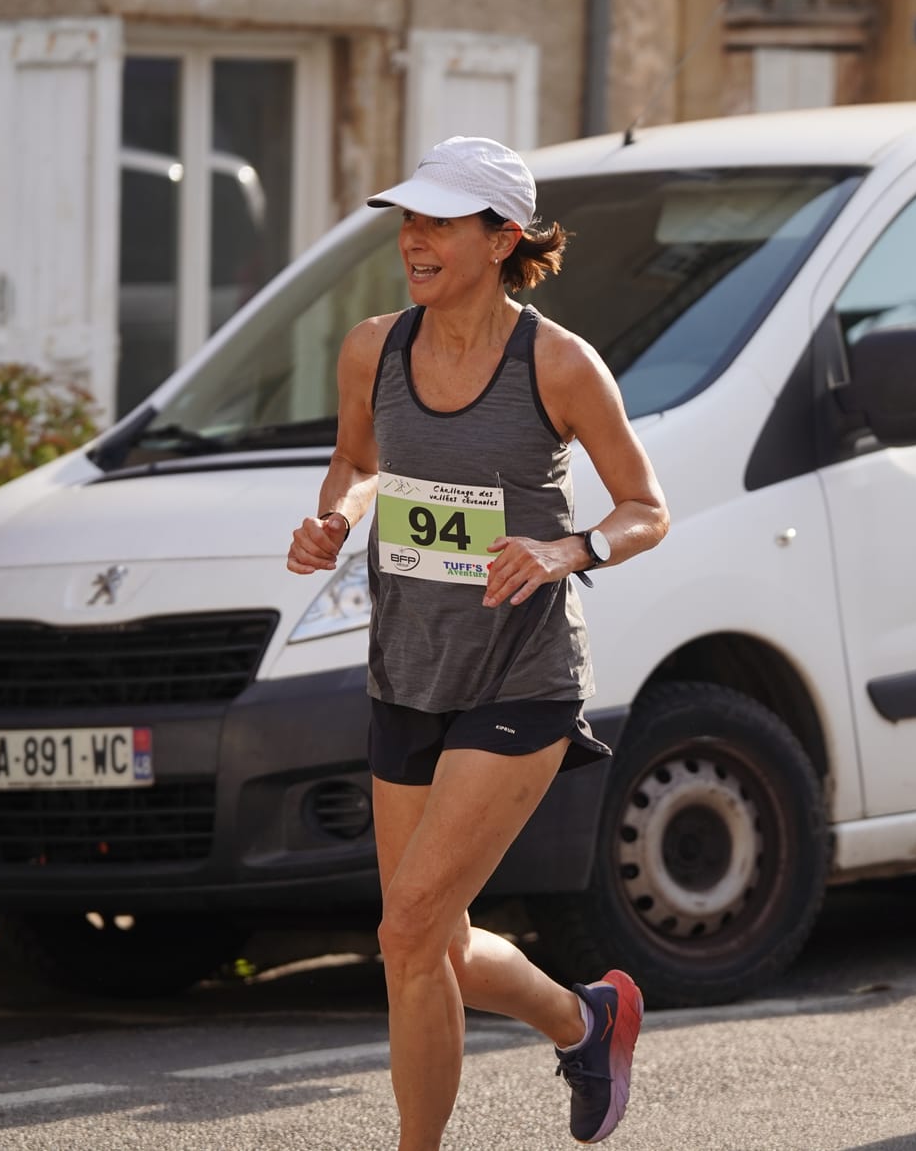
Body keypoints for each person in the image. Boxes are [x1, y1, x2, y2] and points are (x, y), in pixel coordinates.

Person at [286, 135, 670, 1147]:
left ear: (502, 238)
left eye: (438, 224)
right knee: (431, 941)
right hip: (407, 670)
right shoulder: (374, 346)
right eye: (408, 221)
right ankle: (583, 1019)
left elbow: (645, 509)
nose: (412, 241)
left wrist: (566, 550)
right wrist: (334, 515)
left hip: (521, 676)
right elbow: (356, 463)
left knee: (406, 927)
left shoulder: (555, 362)